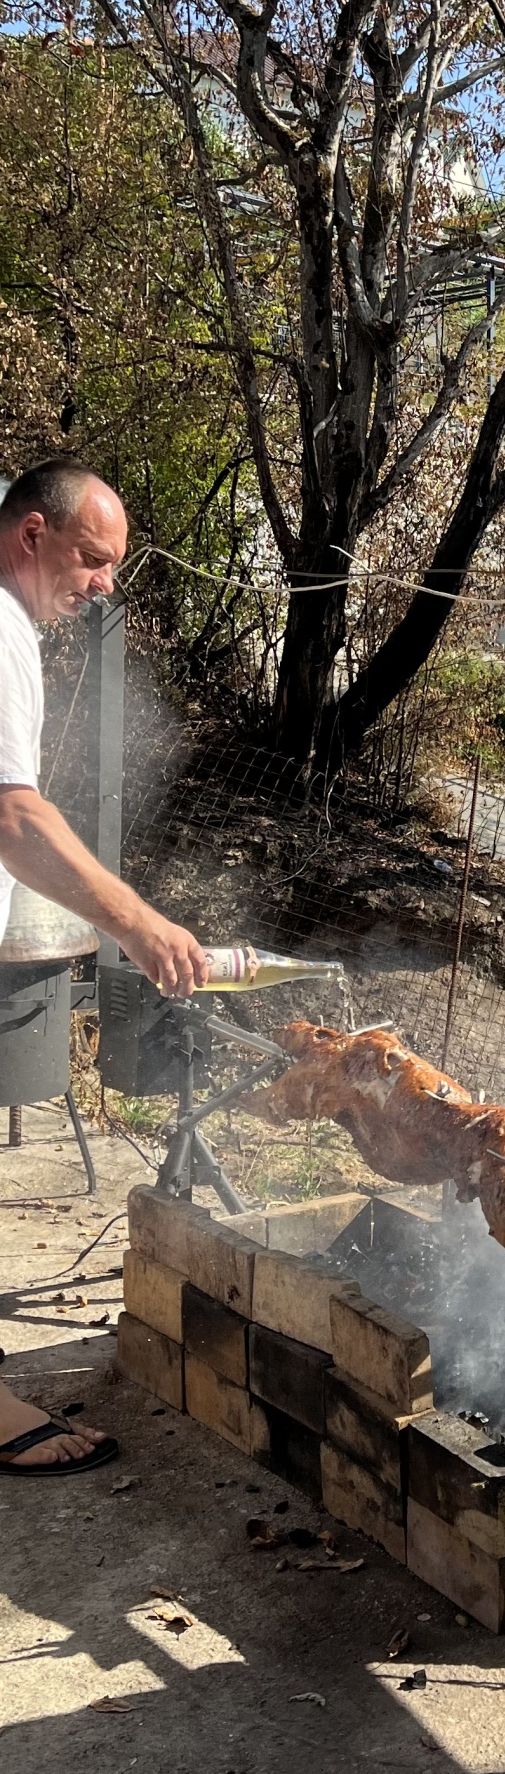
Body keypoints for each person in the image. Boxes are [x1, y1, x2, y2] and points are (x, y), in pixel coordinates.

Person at [0, 460, 209, 1477]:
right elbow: (13, 812)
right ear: (31, 534)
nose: (101, 586)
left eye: (113, 567)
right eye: (90, 557)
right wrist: (138, 923)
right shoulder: (1, 625)